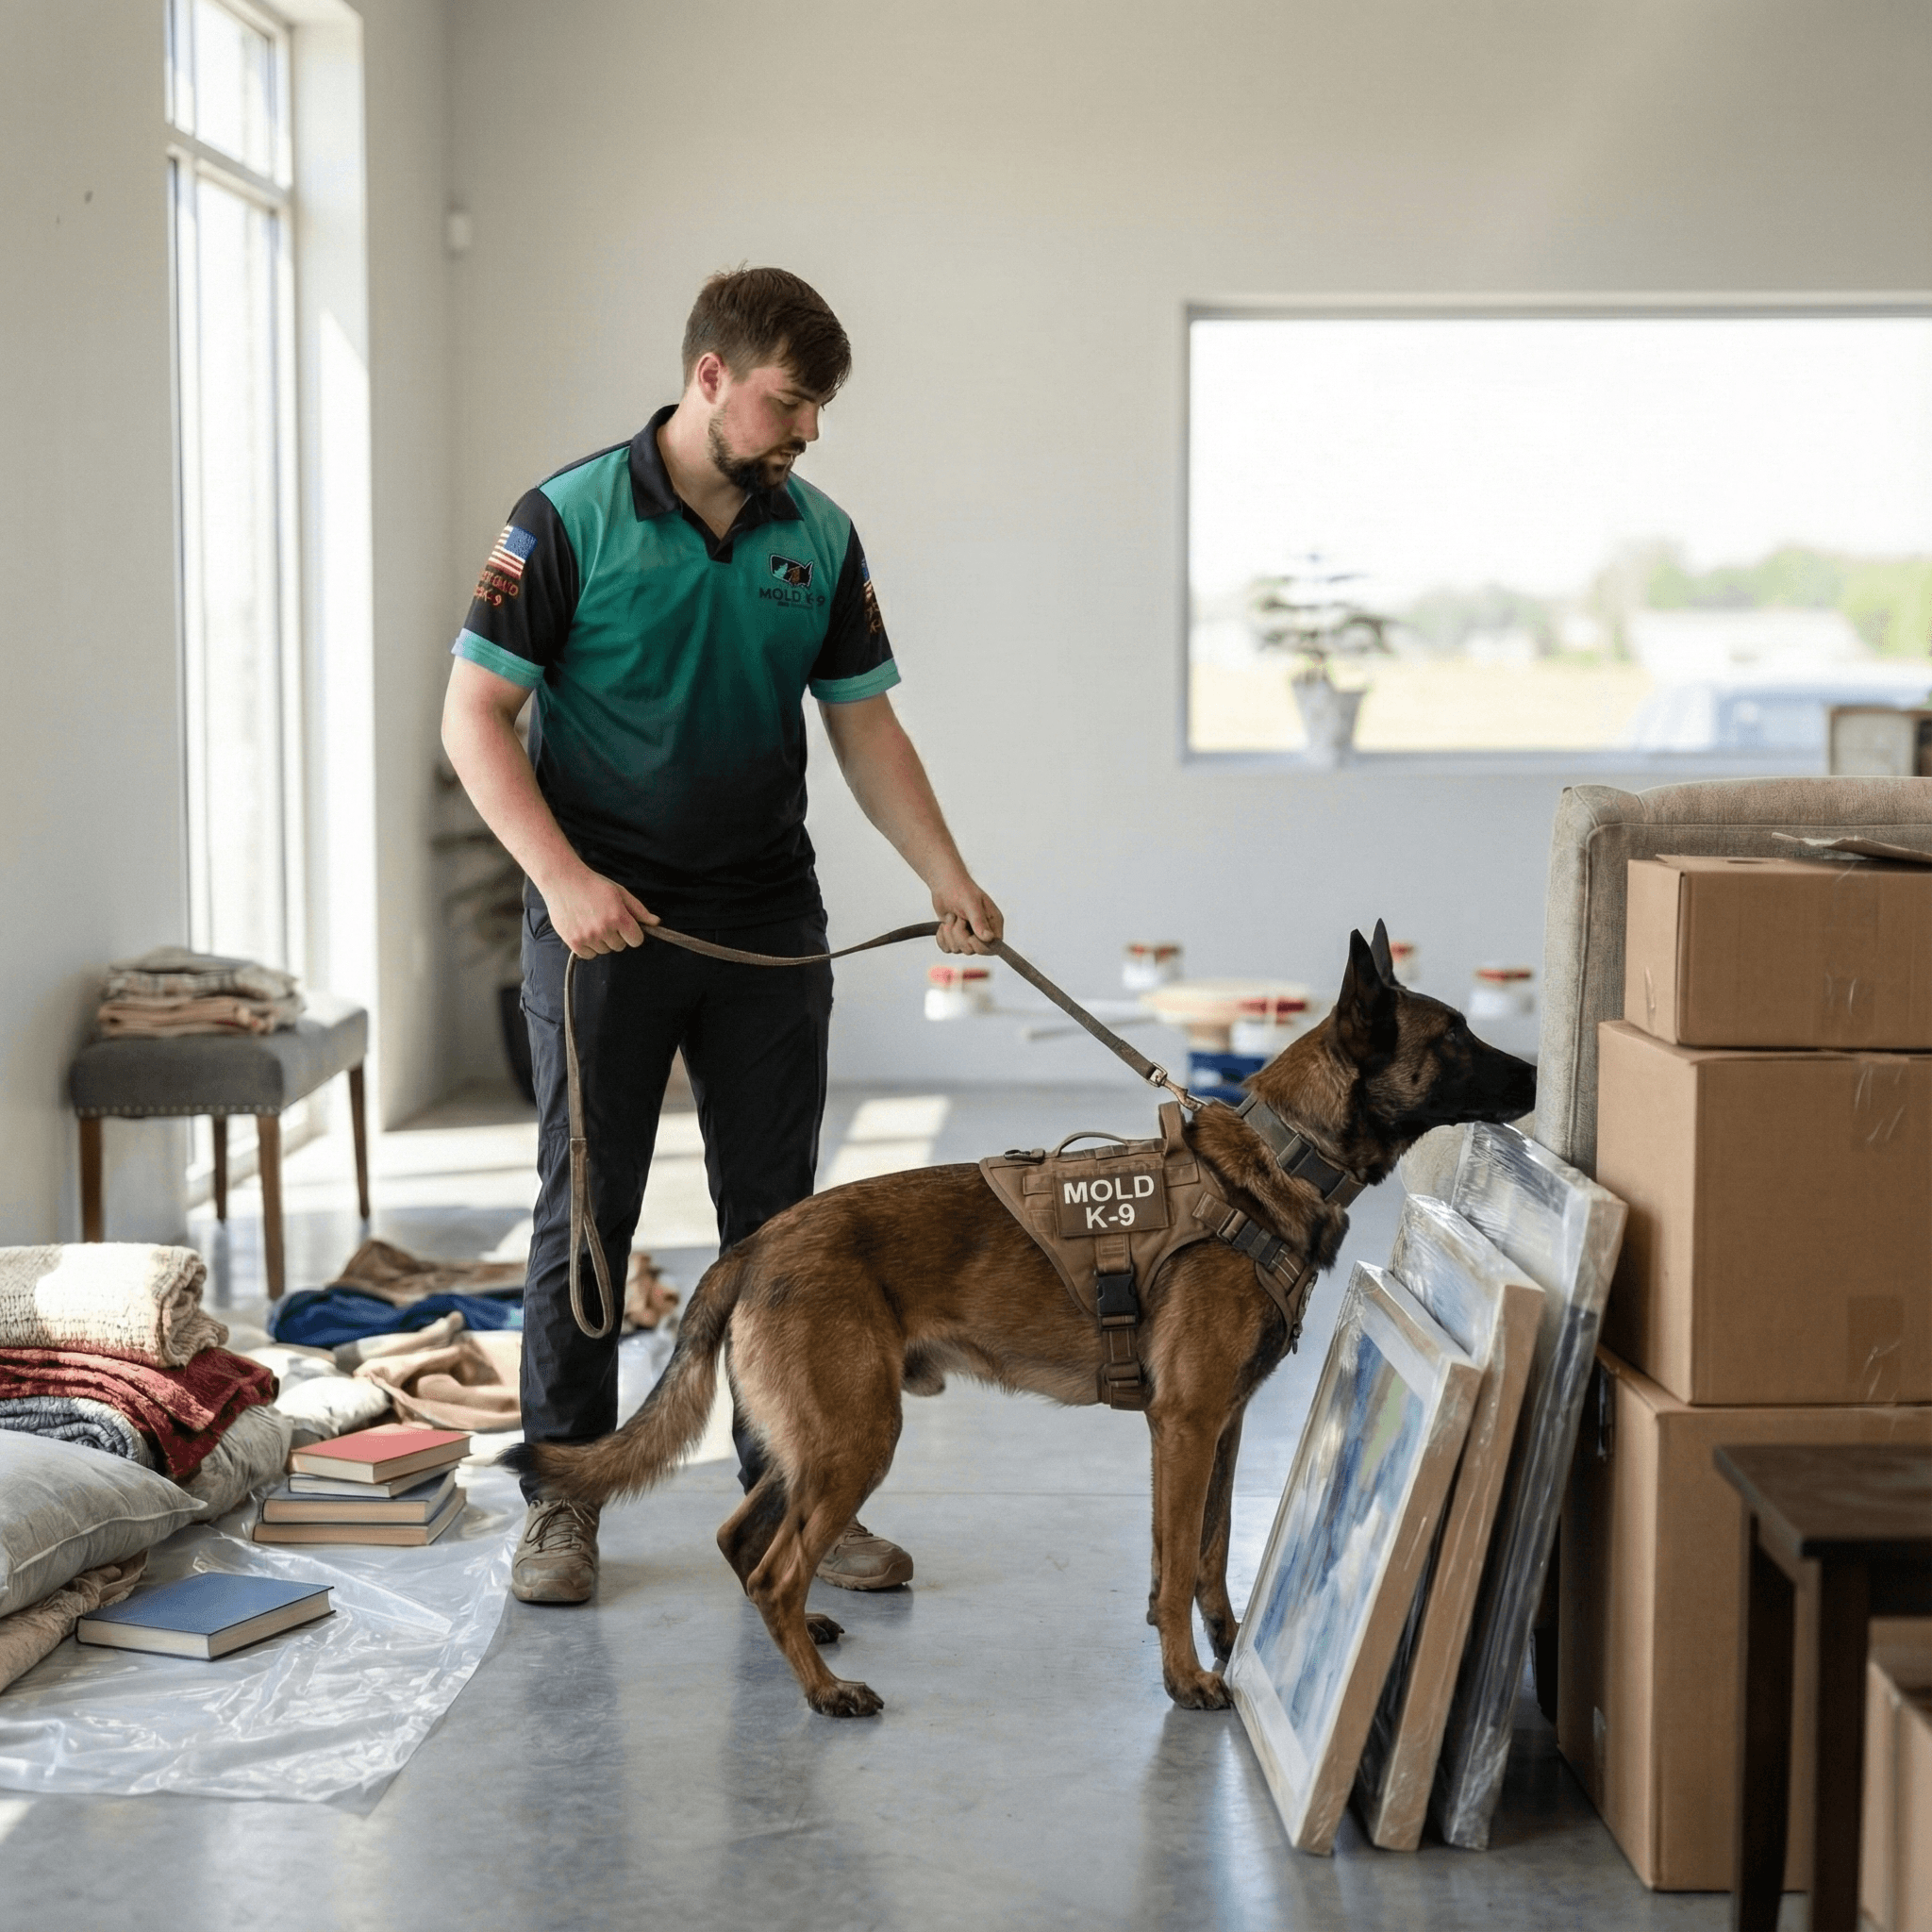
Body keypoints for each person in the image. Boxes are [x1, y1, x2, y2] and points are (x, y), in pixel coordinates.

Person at [441, 267, 1002, 1605]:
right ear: (710, 379)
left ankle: (791, 1498)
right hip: (602, 921)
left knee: (786, 1229)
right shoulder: (564, 518)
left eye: (819, 407)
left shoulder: (819, 535)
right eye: (791, 401)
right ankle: (563, 1500)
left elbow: (863, 725)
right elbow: (474, 720)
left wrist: (946, 872)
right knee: (588, 1212)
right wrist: (565, 880)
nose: (807, 430)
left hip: (764, 918)